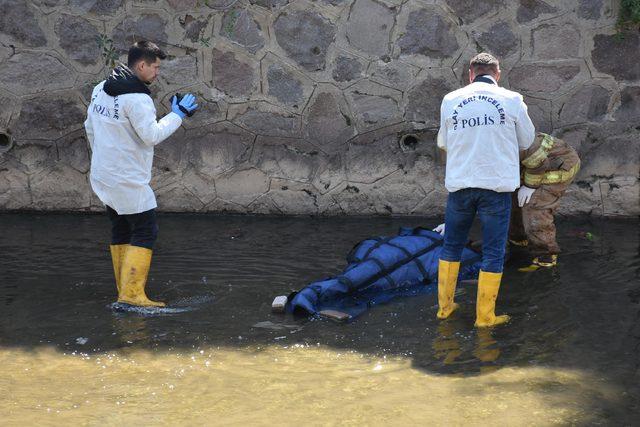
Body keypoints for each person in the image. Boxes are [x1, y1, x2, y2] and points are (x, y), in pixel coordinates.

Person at [84, 41, 198, 307]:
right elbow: (151, 136)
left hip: (102, 174)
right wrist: (177, 115)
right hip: (127, 179)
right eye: (155, 67)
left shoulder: (100, 89)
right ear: (142, 65)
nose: (157, 73)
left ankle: (123, 289)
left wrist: (101, 157)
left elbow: (89, 126)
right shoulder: (138, 99)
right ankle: (133, 295)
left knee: (121, 227)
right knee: (146, 229)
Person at [435, 52, 535, 327]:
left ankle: (445, 308)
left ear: (471, 73)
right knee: (493, 251)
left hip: (461, 185)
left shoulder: (450, 99)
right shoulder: (513, 99)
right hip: (496, 186)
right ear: (497, 73)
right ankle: (485, 317)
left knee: (451, 246)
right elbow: (527, 139)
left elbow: (443, 142)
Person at [509, 132, 580, 272]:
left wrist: (530, 186)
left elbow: (538, 161)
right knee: (514, 200)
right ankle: (519, 240)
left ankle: (545, 257)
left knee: (534, 207)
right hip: (529, 166)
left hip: (553, 165)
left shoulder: (517, 142)